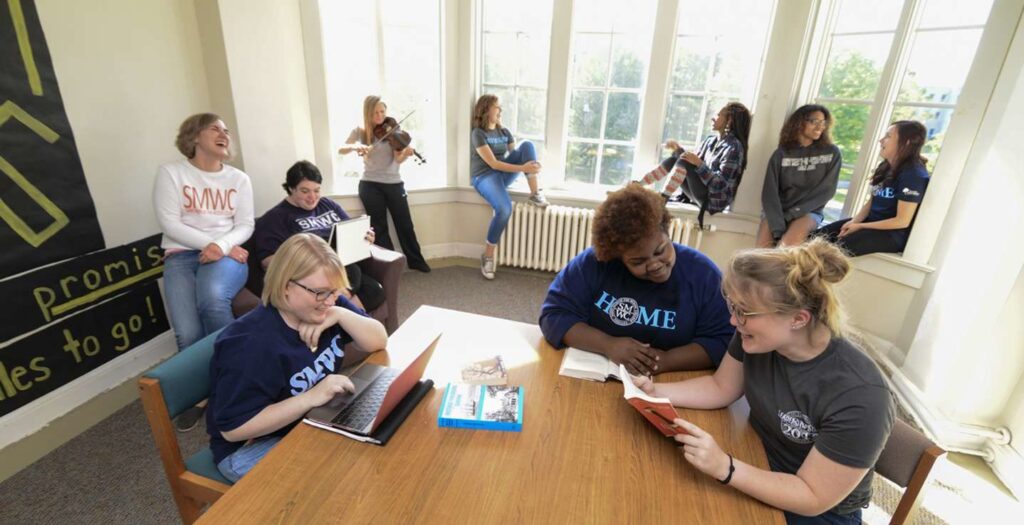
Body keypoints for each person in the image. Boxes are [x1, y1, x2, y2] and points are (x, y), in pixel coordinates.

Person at [629, 238, 894, 524]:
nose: (733, 321)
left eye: (744, 311)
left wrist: (725, 467)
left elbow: (812, 496)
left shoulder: (861, 395)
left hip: (816, 508)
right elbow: (721, 387)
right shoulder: (757, 337)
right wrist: (655, 391)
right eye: (733, 306)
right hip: (757, 457)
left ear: (798, 319)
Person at [207, 233, 388, 482]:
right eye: (321, 293)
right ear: (285, 287)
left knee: (377, 445)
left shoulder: (326, 304)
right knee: (348, 473)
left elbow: (378, 340)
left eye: (334, 291)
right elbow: (233, 429)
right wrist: (311, 397)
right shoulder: (249, 345)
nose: (330, 300)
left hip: (308, 420)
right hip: (248, 448)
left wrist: (340, 314)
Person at [539, 185, 734, 375]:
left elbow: (724, 340)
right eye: (638, 261)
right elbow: (554, 315)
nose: (654, 265)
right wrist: (608, 345)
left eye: (660, 251)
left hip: (673, 378)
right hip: (597, 372)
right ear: (618, 257)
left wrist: (666, 360)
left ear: (668, 233)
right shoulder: (594, 263)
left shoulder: (703, 274)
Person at [153, 112, 253, 431]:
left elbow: (245, 225)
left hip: (226, 256)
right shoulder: (171, 173)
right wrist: (216, 244)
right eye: (214, 129)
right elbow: (170, 223)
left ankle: (240, 380)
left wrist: (221, 247)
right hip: (182, 255)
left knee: (211, 300)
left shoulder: (238, 179)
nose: (224, 134)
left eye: (226, 130)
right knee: (187, 332)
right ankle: (201, 392)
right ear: (194, 136)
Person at [250, 160, 385, 312]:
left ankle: (333, 314)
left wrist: (364, 237)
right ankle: (334, 307)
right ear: (291, 189)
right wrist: (307, 261)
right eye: (305, 191)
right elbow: (268, 262)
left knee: (374, 290)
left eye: (317, 190)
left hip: (339, 266)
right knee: (352, 271)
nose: (312, 197)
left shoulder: (328, 205)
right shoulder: (275, 218)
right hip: (310, 273)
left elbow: (349, 230)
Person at [338, 96, 430, 273]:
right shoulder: (360, 131)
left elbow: (398, 159)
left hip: (394, 183)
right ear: (367, 113)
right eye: (375, 113)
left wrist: (405, 154)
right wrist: (356, 147)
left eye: (382, 112)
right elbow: (341, 148)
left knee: (405, 223)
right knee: (379, 228)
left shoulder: (393, 130)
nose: (380, 116)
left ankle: (416, 260)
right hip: (370, 184)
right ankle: (390, 265)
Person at [812, 121, 929, 256]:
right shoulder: (885, 166)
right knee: (813, 239)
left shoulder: (914, 175)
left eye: (888, 136)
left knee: (831, 252)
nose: (881, 140)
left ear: (907, 142)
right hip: (870, 223)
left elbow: (902, 221)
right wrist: (854, 222)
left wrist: (860, 226)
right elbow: (873, 200)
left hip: (891, 234)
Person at [471, 94, 550, 280]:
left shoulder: (504, 132)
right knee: (504, 209)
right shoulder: (478, 134)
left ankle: (534, 193)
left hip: (502, 174)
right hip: (484, 176)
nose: (500, 110)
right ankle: (488, 257)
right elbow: (493, 164)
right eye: (497, 107)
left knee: (527, 145)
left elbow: (518, 156)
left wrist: (532, 166)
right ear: (486, 109)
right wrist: (524, 168)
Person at [636, 102, 752, 228]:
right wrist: (678, 150)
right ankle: (638, 185)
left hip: (712, 201)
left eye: (718, 115)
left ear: (729, 120)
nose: (713, 118)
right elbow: (689, 164)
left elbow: (720, 185)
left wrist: (699, 163)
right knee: (675, 159)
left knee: (683, 161)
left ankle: (661, 202)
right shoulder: (710, 140)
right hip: (700, 192)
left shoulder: (734, 147)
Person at [758, 104, 842, 248]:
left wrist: (792, 214)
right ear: (799, 122)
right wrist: (778, 225)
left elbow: (826, 191)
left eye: (823, 122)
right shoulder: (781, 154)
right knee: (759, 253)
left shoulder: (831, 153)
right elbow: (769, 193)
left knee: (785, 248)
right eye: (814, 121)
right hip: (778, 211)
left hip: (809, 212)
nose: (820, 127)